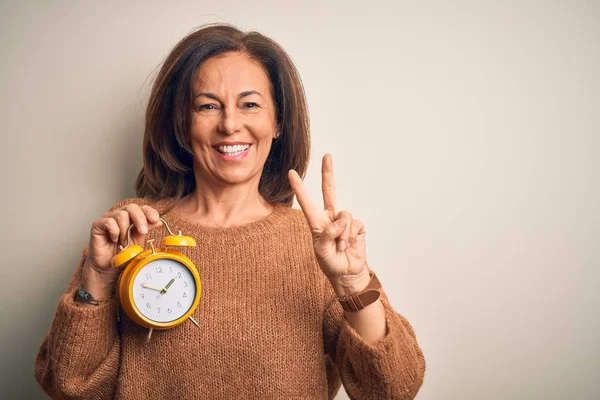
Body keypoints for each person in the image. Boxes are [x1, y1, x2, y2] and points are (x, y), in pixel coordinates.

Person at [34, 23, 426, 399]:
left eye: (250, 104)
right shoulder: (133, 230)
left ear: (278, 123)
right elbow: (68, 385)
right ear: (183, 125)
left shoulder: (318, 243)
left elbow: (392, 390)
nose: (230, 124)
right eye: (208, 106)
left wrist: (353, 283)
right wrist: (99, 277)